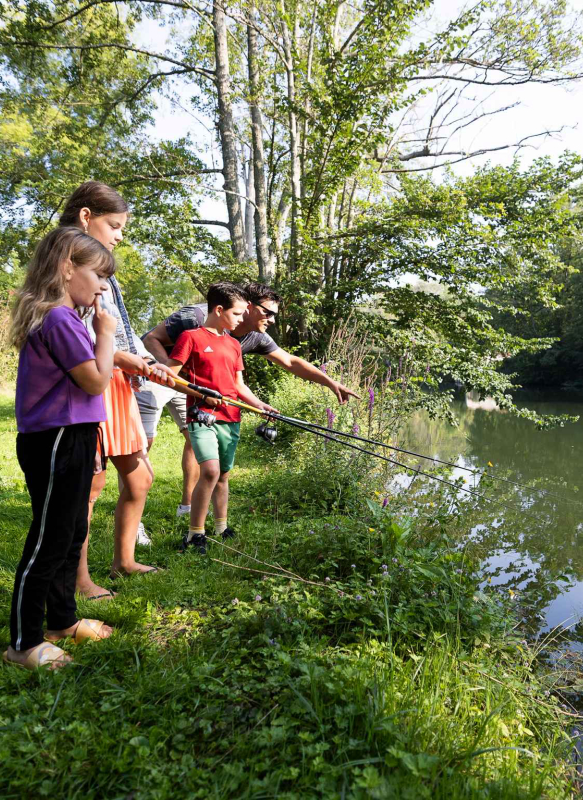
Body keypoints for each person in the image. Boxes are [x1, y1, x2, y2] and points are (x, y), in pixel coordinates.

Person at [138, 282, 359, 518]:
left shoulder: (254, 337)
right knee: (143, 444)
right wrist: (175, 374)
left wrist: (330, 382)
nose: (272, 319)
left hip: (199, 387)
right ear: (248, 307)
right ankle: (135, 514)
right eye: (268, 312)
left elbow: (290, 361)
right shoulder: (197, 317)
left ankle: (187, 507)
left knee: (197, 439)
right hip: (157, 373)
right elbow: (151, 338)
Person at [4, 227, 116, 671]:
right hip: (54, 440)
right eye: (99, 275)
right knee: (48, 540)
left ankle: (61, 621)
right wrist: (106, 333)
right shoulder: (57, 318)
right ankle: (23, 642)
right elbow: (94, 379)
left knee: (72, 533)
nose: (104, 286)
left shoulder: (67, 318)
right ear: (68, 267)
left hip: (75, 434)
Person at [59, 182, 173, 602]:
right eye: (115, 224)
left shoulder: (101, 265)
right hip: (92, 386)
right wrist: (125, 359)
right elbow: (73, 334)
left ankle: (123, 560)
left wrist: (148, 361)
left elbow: (119, 326)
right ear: (86, 216)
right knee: (89, 487)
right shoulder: (67, 263)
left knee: (140, 477)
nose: (120, 234)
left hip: (120, 386)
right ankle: (80, 579)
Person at [165, 282, 277, 553]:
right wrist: (200, 394)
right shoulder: (190, 337)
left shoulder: (233, 345)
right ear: (218, 309)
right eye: (238, 314)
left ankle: (220, 527)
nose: (241, 319)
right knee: (211, 471)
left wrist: (261, 405)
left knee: (223, 475)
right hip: (201, 415)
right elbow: (170, 376)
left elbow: (239, 386)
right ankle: (195, 534)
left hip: (231, 416)